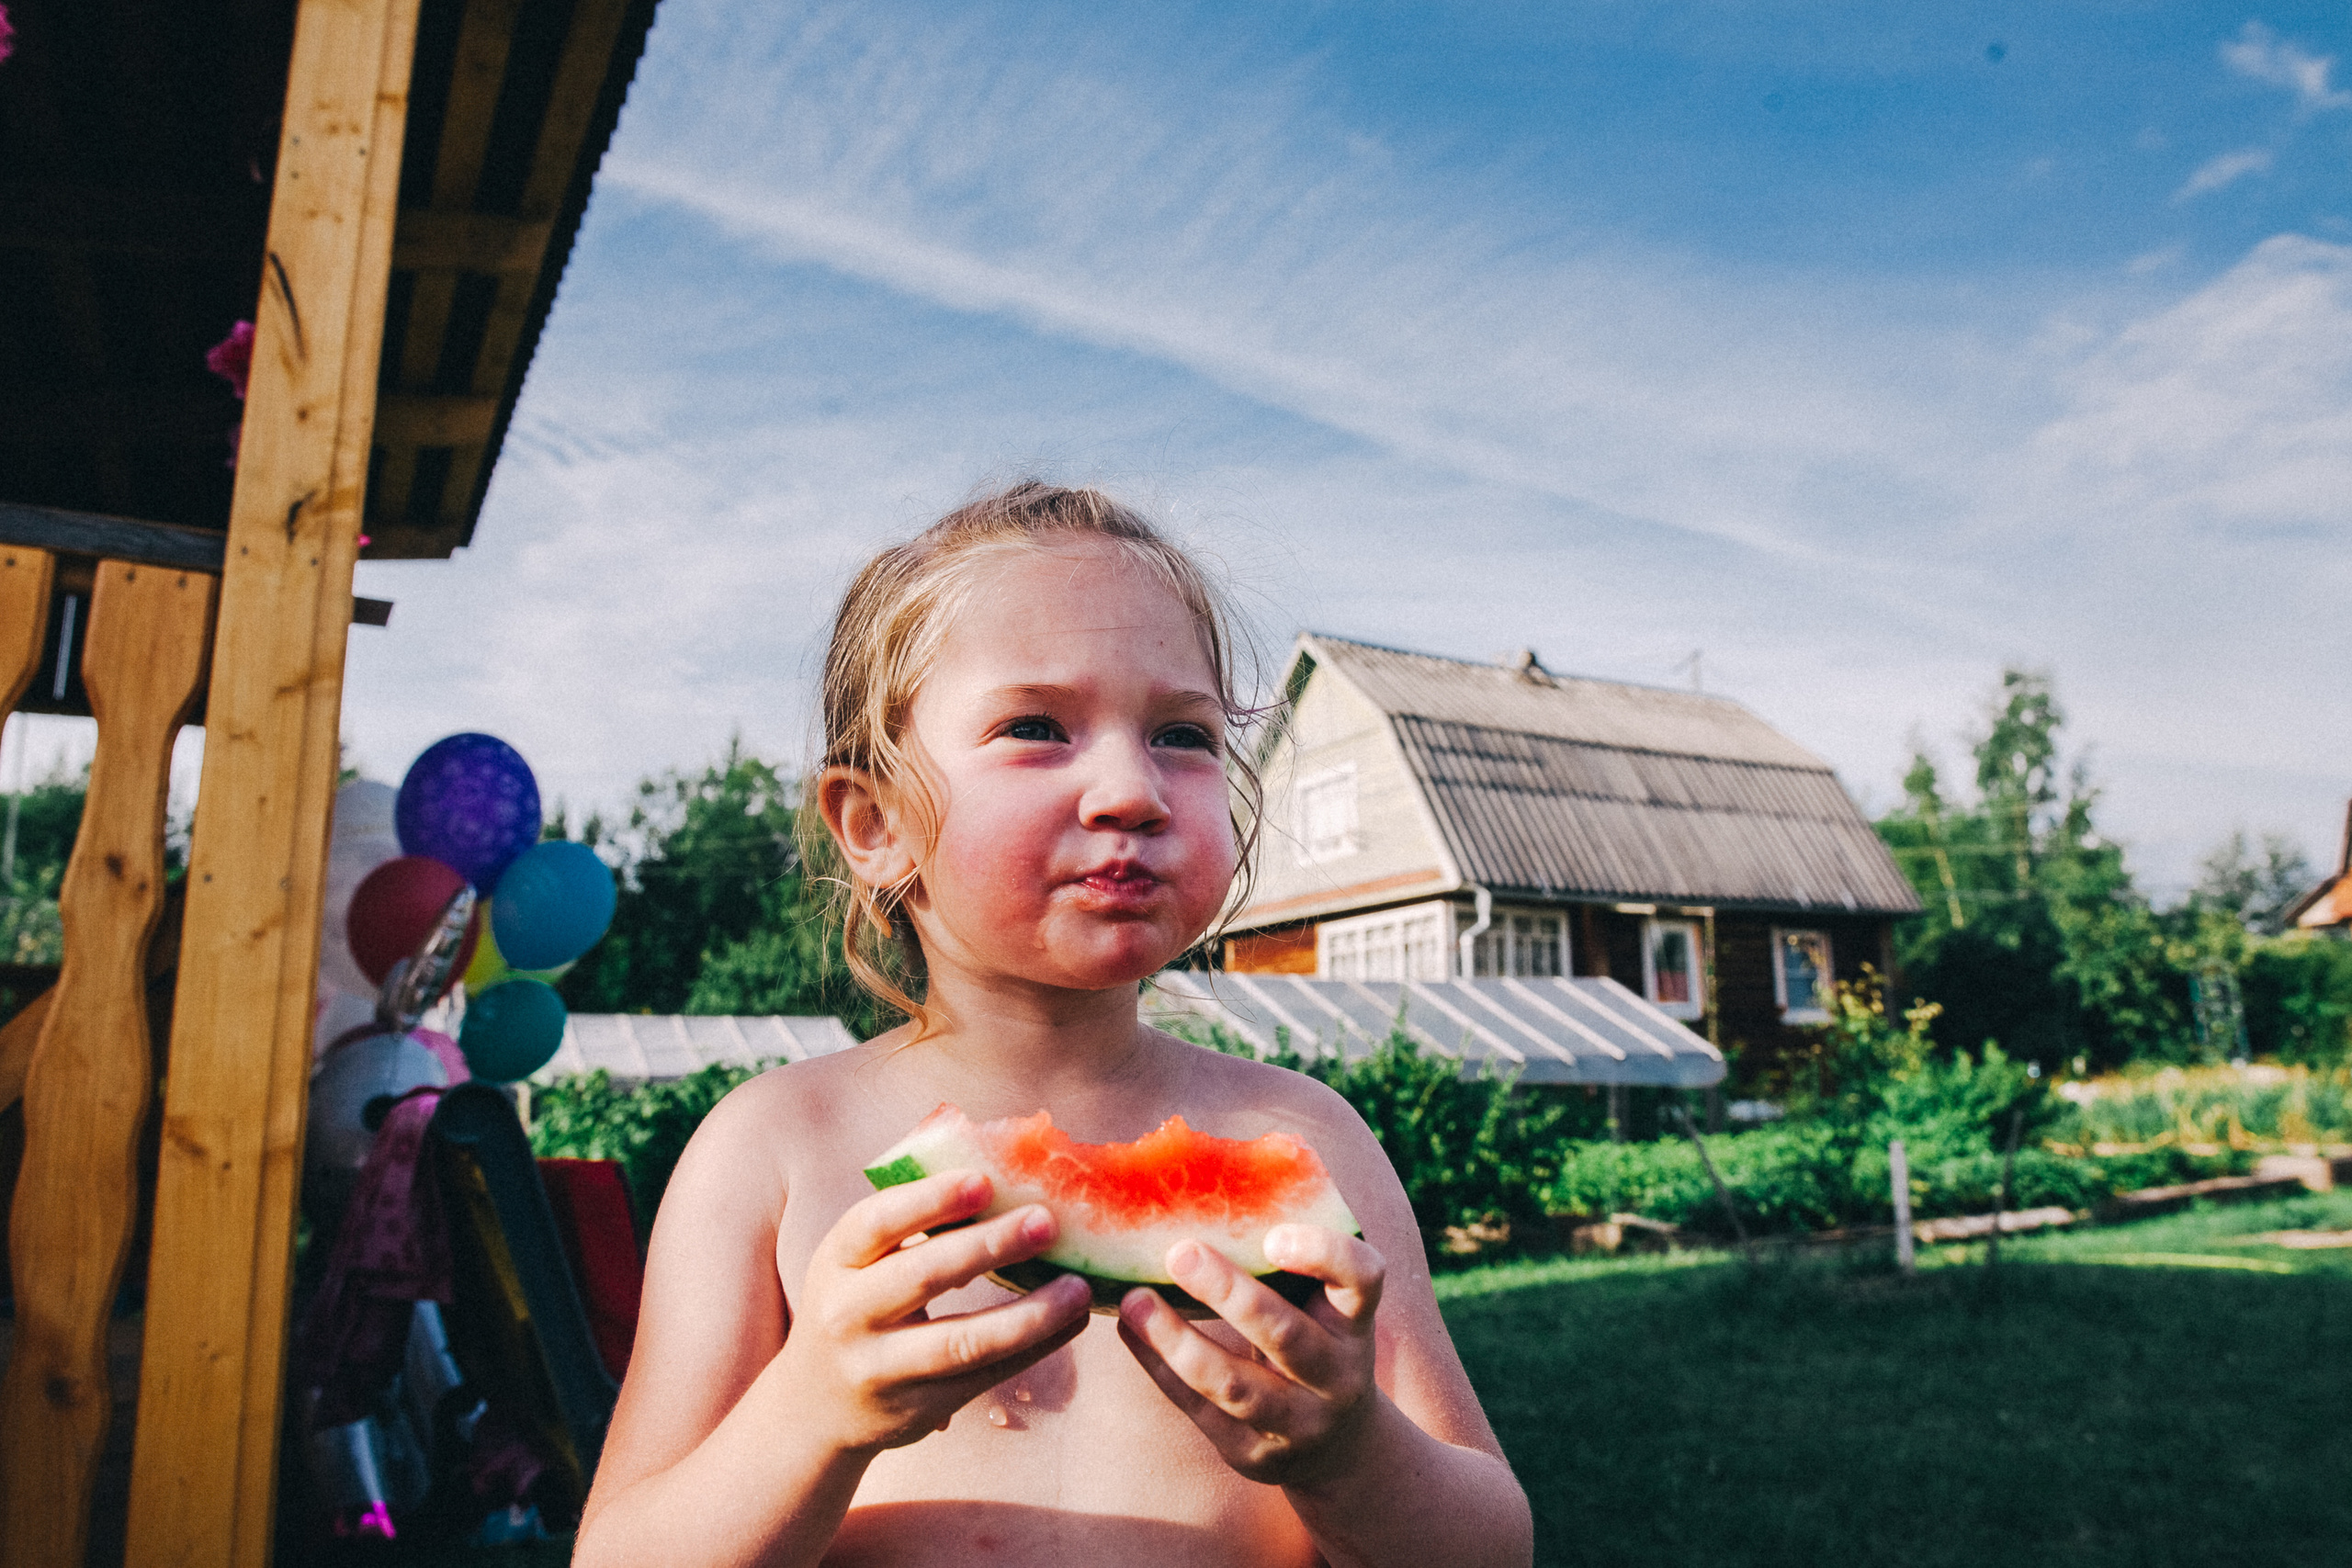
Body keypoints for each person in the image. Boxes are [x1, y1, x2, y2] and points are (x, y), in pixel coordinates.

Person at [573, 483, 1533, 1567]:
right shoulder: (772, 1149)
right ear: (875, 824)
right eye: (1034, 727)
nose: (1131, 790)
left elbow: (1491, 1550)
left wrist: (1352, 1457)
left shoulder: (1307, 1137)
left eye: (1183, 735)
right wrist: (808, 1416)